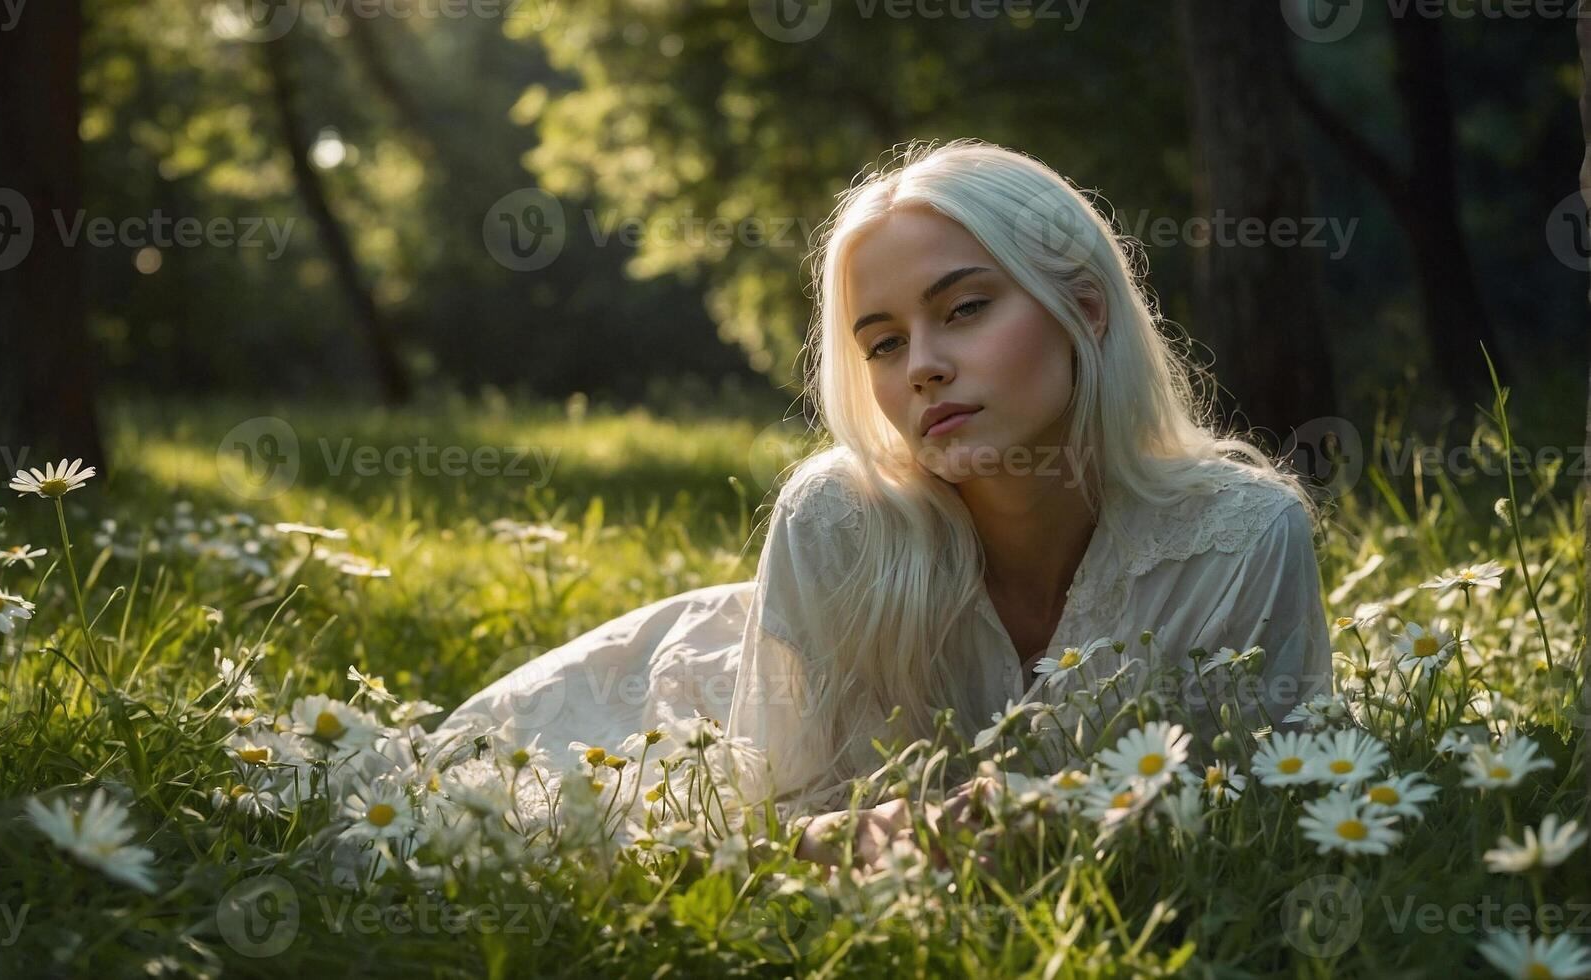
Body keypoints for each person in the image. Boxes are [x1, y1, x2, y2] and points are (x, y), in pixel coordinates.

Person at [434, 138, 1333, 870]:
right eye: (882, 342)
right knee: (455, 820)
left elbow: (1256, 824)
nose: (922, 367)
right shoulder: (834, 523)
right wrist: (860, 839)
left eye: (967, 308)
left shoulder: (1241, 538)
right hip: (698, 712)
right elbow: (779, 824)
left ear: (1086, 310)